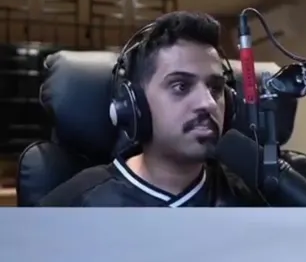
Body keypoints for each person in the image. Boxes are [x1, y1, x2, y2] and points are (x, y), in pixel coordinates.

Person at [39, 11, 266, 207]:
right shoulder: (76, 205)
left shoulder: (253, 198)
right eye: (181, 86)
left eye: (215, 88)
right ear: (135, 104)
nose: (208, 103)